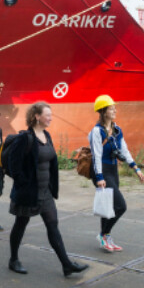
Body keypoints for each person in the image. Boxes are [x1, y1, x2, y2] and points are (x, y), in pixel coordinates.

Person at [7, 102, 88, 277]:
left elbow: (51, 162)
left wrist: (51, 185)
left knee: (53, 226)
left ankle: (66, 265)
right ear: (37, 116)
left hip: (45, 192)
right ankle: (13, 259)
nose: (51, 118)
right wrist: (24, 184)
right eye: (48, 115)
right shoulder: (25, 138)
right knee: (21, 224)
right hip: (29, 192)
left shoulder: (47, 135)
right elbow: (14, 166)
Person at [89, 95, 144, 253]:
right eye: (111, 108)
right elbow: (96, 156)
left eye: (114, 108)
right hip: (102, 171)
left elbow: (124, 149)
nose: (115, 110)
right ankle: (103, 235)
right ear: (103, 111)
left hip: (113, 170)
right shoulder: (97, 131)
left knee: (109, 206)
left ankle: (106, 237)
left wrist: (136, 168)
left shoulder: (117, 129)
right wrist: (99, 177)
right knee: (121, 206)